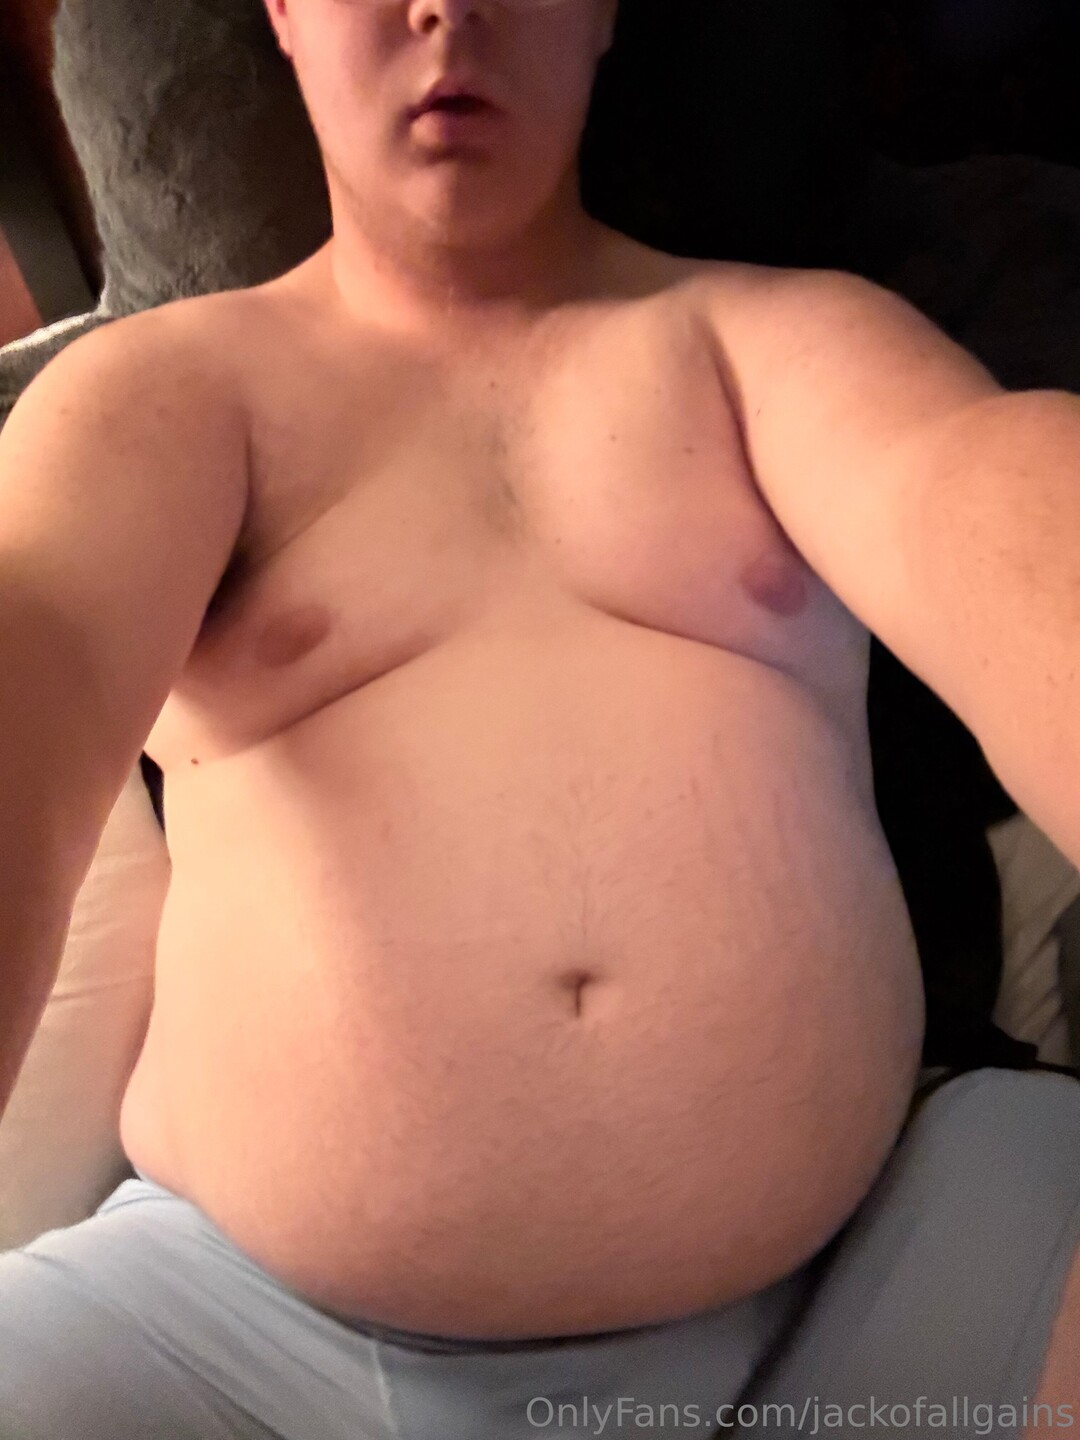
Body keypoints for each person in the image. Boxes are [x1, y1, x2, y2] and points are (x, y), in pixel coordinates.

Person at [1, 0, 1080, 1435]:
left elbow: (981, 499)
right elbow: (38, 659)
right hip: (239, 1341)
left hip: (891, 1286)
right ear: (283, 16)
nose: (448, 10)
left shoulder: (773, 342)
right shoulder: (170, 394)